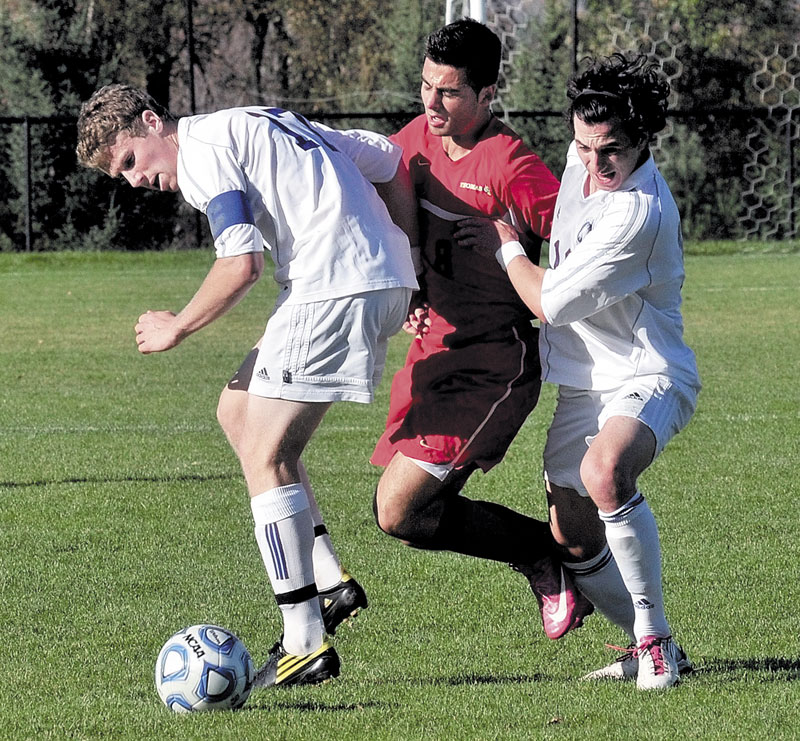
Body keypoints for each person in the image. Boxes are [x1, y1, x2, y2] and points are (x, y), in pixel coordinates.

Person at [75, 85, 419, 688]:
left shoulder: (202, 152)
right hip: (365, 279)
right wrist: (410, 259)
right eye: (119, 175)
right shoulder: (252, 121)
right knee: (236, 410)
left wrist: (176, 326)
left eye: (130, 160)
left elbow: (242, 263)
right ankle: (329, 582)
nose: (133, 180)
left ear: (154, 122)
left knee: (268, 454)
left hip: (333, 285)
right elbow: (385, 158)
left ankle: (304, 641)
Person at [457, 53, 701, 690]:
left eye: (611, 151)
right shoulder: (580, 160)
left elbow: (550, 300)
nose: (595, 166)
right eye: (584, 147)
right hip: (583, 381)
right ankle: (644, 642)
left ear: (644, 136)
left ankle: (654, 646)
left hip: (648, 375)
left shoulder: (638, 215)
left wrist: (507, 241)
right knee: (570, 534)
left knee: (604, 472)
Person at [369, 17, 594, 640]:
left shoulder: (511, 163)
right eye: (425, 86)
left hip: (493, 362)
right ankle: (552, 554)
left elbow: (585, 244)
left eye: (449, 93)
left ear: (487, 95)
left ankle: (550, 556)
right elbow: (376, 201)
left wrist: (515, 248)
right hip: (431, 355)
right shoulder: (413, 140)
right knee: (403, 514)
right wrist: (406, 281)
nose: (432, 104)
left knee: (401, 507)